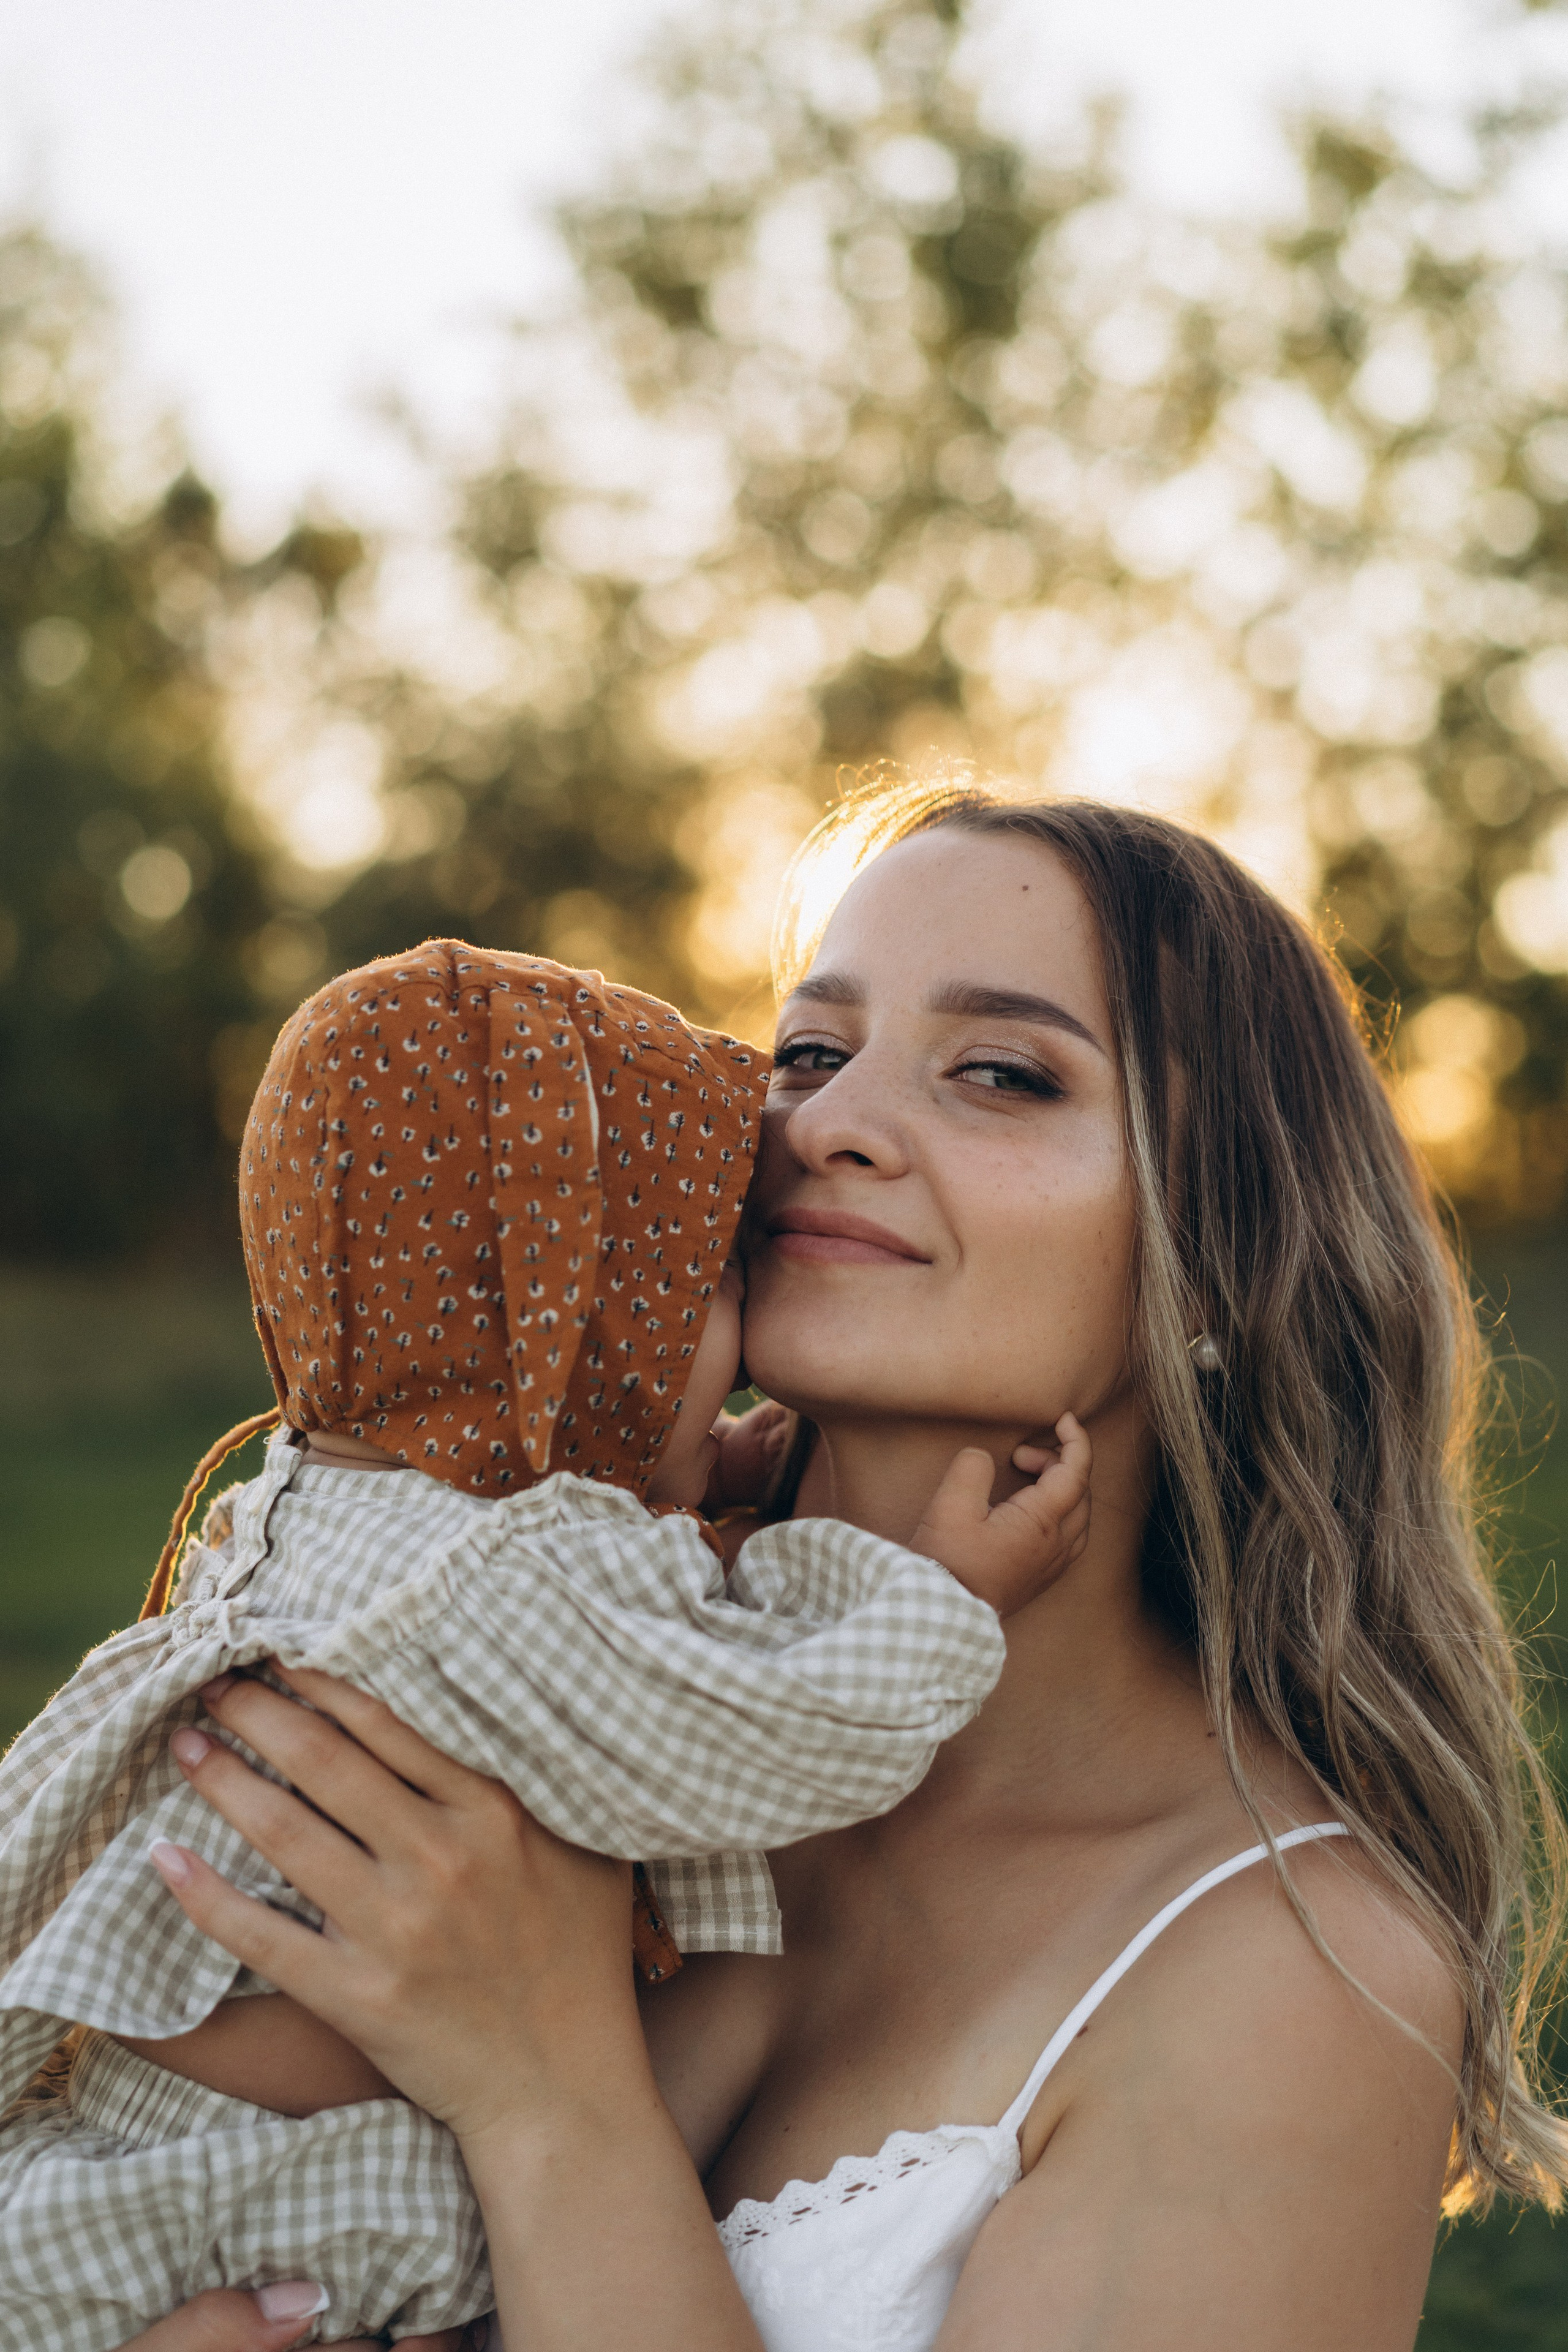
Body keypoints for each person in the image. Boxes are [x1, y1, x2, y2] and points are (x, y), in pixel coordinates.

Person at [127, 786, 1568, 2351]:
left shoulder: (1290, 1973)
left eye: (1001, 1073)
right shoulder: (521, 1690)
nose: (819, 1126)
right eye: (810, 1052)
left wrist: (548, 2095)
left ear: (1227, 1252)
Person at [0, 938, 1090, 2351]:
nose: (735, 1358)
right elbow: (761, 1724)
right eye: (703, 1291)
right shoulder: (513, 1568)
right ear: (581, 1325)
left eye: (1000, 1072)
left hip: (110, 2174)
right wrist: (936, 1598)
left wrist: (686, 1478)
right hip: (246, 2215)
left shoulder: (319, 1501)